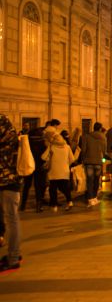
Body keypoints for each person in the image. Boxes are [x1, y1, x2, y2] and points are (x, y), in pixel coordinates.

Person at [0, 115, 22, 272]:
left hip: (6, 183)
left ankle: (13, 258)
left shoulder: (5, 143)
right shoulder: (14, 139)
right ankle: (14, 254)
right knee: (11, 219)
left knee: (11, 220)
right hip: (12, 182)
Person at [42, 133, 75, 212]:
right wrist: (66, 165)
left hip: (53, 171)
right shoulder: (67, 147)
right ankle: (69, 201)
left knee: (52, 189)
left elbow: (43, 157)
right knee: (65, 188)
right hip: (64, 171)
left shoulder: (51, 147)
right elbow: (72, 159)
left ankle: (54, 206)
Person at [20, 125, 48, 212]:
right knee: (38, 186)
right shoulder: (43, 144)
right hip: (39, 167)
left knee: (26, 186)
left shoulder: (28, 144)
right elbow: (45, 157)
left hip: (29, 165)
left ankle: (23, 205)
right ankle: (38, 206)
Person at [80, 122, 107, 207]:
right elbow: (104, 151)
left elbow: (83, 149)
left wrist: (83, 159)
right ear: (100, 128)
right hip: (98, 161)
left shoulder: (86, 136)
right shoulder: (103, 137)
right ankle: (95, 197)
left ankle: (90, 199)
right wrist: (103, 159)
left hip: (88, 161)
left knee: (89, 181)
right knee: (96, 180)